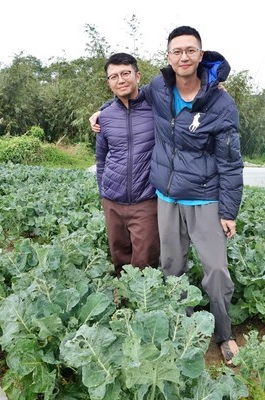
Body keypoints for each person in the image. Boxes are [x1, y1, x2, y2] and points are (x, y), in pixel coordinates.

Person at [90, 26, 243, 366]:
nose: (183, 57)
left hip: (204, 197)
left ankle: (224, 333)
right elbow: (124, 93)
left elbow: (230, 162)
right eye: (177, 51)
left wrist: (229, 210)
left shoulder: (220, 101)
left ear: (200, 55)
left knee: (216, 270)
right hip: (166, 196)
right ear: (168, 57)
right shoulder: (159, 88)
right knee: (172, 267)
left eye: (190, 50)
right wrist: (100, 112)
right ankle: (183, 326)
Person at [95, 52, 159, 276]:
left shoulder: (156, 109)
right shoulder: (105, 116)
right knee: (119, 257)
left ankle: (143, 306)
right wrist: (103, 191)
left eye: (125, 74)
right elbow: (101, 158)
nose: (120, 80)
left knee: (145, 262)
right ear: (108, 82)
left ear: (138, 76)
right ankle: (121, 305)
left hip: (146, 200)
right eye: (114, 76)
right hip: (113, 200)